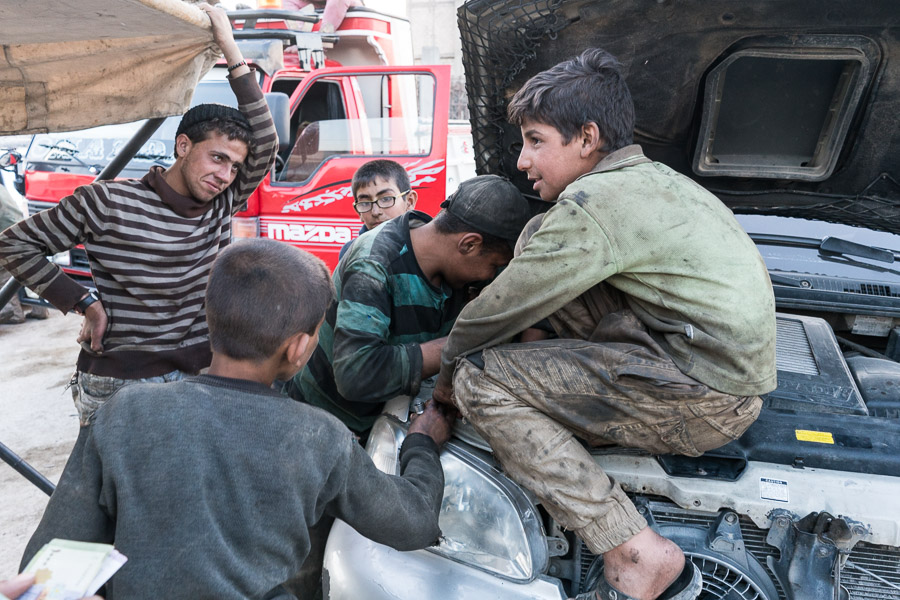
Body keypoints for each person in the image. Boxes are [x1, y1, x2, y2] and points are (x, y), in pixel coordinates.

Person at [432, 48, 777, 600]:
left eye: (536, 140)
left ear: (588, 139)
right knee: (534, 239)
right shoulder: (655, 180)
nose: (522, 161)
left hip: (703, 398)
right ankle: (556, 399)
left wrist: (445, 394)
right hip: (706, 370)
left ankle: (635, 553)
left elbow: (489, 315)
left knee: (482, 380)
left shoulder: (596, 204)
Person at [20, 239, 452, 600]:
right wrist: (422, 445)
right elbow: (412, 524)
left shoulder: (125, 412)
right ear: (299, 349)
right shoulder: (319, 437)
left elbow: (49, 561)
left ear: (210, 320)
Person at [0, 3, 278, 426]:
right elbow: (14, 243)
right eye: (217, 158)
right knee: (113, 492)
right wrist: (84, 304)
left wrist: (229, 47)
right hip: (121, 383)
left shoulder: (221, 202)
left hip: (198, 375)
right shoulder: (104, 201)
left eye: (235, 166)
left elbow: (267, 141)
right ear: (183, 146)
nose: (225, 175)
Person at [287, 174, 531, 435]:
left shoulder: (455, 266)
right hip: (322, 425)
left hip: (387, 421)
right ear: (469, 244)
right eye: (493, 265)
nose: (491, 276)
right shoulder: (374, 264)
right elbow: (355, 374)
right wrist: (461, 343)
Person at [338, 159, 418, 261]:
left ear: (409, 201)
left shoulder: (426, 248)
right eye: (365, 203)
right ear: (359, 213)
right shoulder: (350, 252)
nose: (376, 212)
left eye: (386, 199)